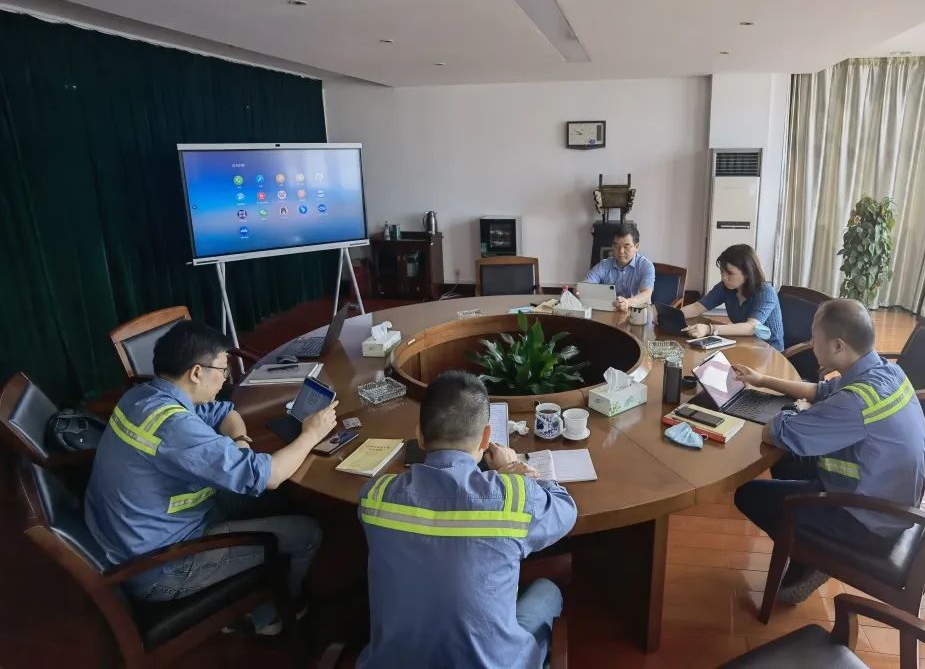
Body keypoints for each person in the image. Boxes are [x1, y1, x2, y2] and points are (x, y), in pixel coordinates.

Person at [84, 320, 338, 634]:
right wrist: (312, 434)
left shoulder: (144, 396)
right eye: (222, 369)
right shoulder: (175, 428)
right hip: (164, 566)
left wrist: (240, 442)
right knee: (307, 532)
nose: (226, 377)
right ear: (196, 372)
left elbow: (223, 412)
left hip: (140, 533)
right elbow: (269, 475)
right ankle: (272, 615)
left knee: (270, 498)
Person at [357, 371, 578, 669]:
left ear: (419, 435)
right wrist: (513, 470)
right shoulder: (514, 497)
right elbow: (566, 510)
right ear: (486, 437)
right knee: (547, 591)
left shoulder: (374, 496)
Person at [730, 299, 925, 603]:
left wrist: (793, 413)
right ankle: (806, 547)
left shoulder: (855, 402)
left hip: (866, 521)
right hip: (888, 498)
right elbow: (821, 391)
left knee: (748, 495)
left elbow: (775, 432)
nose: (811, 343)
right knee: (787, 460)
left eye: (814, 336)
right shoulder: (886, 372)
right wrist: (763, 380)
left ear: (837, 345)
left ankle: (813, 556)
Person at [680, 244, 785, 351]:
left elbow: (752, 327)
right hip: (743, 344)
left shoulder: (766, 292)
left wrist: (709, 329)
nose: (724, 278)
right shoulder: (725, 287)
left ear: (747, 273)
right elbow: (697, 307)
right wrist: (671, 316)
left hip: (770, 350)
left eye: (730, 273)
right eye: (722, 271)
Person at [583, 224, 655, 312]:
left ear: (636, 247)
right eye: (616, 246)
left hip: (638, 313)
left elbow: (646, 293)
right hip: (611, 313)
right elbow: (585, 285)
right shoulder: (604, 265)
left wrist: (628, 302)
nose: (621, 251)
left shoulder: (646, 265)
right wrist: (580, 290)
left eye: (626, 246)